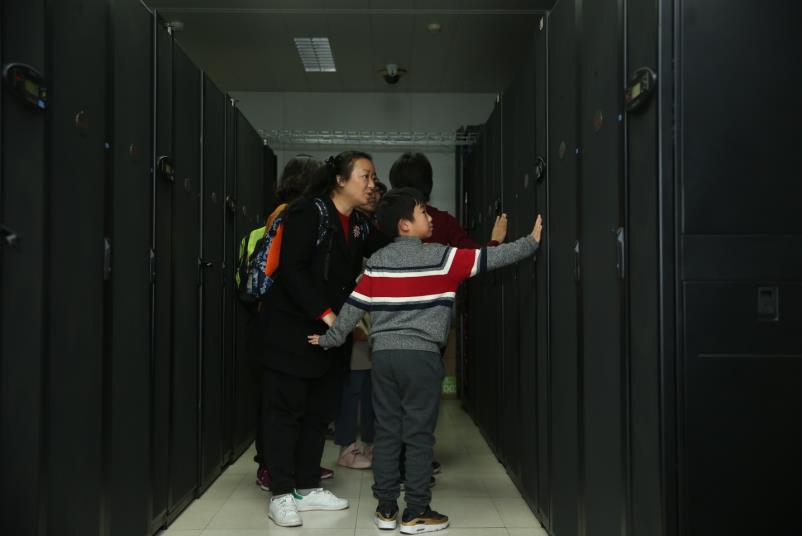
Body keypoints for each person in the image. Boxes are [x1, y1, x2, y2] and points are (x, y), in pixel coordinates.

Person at [308, 188, 544, 533]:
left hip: (383, 358)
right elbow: (490, 258)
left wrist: (329, 339)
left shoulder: (377, 263)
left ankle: (386, 509)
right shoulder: (442, 257)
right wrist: (531, 243)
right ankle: (417, 510)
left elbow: (351, 310)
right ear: (405, 225)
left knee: (387, 433)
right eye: (423, 212)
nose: (431, 217)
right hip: (421, 359)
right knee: (418, 435)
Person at [257, 151, 389, 528]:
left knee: (319, 412)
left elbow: (385, 245)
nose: (372, 185)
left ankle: (307, 485)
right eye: (365, 177)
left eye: (374, 178)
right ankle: (281, 493)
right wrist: (331, 317)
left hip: (331, 339)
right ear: (340, 181)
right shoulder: (307, 211)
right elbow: (293, 271)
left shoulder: (358, 224)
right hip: (291, 333)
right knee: (285, 413)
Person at [253, 156, 336, 491]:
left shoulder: (292, 211)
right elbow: (288, 269)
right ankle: (272, 468)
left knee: (291, 403)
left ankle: (295, 467)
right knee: (281, 405)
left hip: (284, 316)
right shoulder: (292, 213)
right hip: (280, 318)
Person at [334, 180, 387, 470]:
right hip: (356, 323)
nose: (372, 195)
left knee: (370, 391)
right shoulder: (349, 227)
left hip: (376, 326)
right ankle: (346, 447)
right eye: (369, 188)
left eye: (377, 193)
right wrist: (352, 325)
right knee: (352, 389)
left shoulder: (376, 231)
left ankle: (370, 444)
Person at [389, 151, 507, 248]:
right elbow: (475, 258)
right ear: (428, 183)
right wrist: (495, 242)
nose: (429, 219)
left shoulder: (386, 221)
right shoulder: (444, 221)